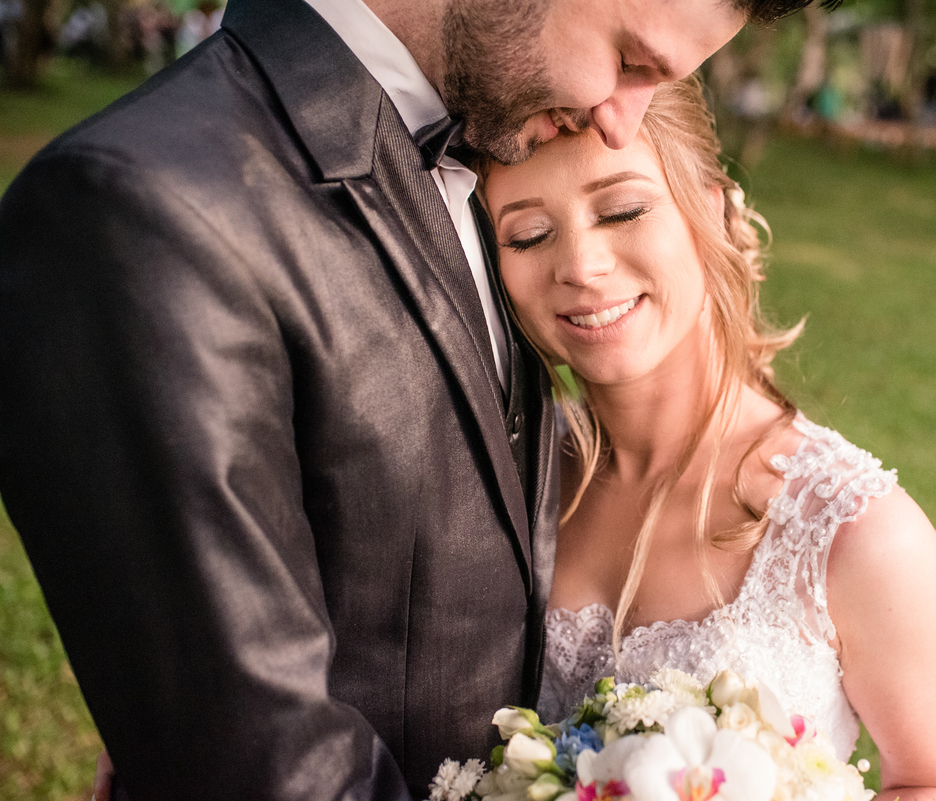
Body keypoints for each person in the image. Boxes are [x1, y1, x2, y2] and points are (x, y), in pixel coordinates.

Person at [0, 1, 817, 800]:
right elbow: (251, 754)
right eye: (630, 59)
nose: (620, 119)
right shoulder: (140, 205)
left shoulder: (495, 141)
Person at [480, 77, 936, 800]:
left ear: (713, 211)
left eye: (622, 210)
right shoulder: (505, 473)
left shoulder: (859, 534)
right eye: (528, 235)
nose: (582, 267)